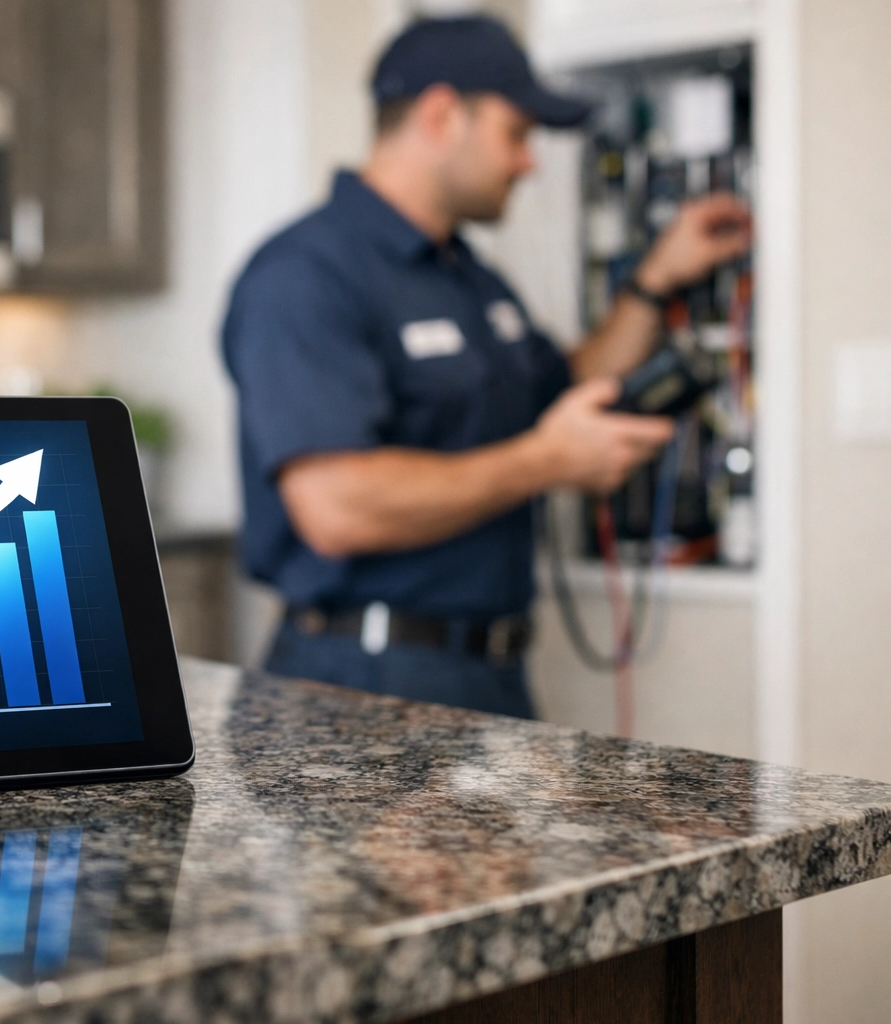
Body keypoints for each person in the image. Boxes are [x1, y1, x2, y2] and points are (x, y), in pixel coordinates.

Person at [221, 15, 752, 718]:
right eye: (517, 134)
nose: (528, 162)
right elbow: (336, 508)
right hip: (355, 686)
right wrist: (546, 461)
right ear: (443, 115)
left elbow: (564, 385)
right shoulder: (306, 275)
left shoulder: (470, 277)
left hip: (490, 679)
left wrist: (657, 278)